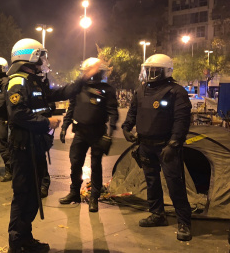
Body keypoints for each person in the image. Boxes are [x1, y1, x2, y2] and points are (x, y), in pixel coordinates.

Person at [6, 38, 100, 253]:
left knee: (33, 197)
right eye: (42, 55)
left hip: (35, 148)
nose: (45, 60)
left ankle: (25, 238)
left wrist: (84, 78)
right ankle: (16, 244)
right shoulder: (17, 81)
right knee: (23, 196)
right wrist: (46, 122)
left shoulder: (35, 81)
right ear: (30, 56)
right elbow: (18, 114)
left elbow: (62, 92)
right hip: (23, 150)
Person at [121, 54, 192, 241]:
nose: (151, 73)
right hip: (145, 145)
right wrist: (126, 128)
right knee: (151, 182)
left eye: (155, 70)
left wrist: (174, 143)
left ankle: (184, 222)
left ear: (165, 71)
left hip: (167, 146)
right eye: (149, 70)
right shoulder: (141, 90)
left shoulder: (176, 91)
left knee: (175, 184)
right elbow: (132, 113)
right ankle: (157, 214)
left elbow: (181, 120)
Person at [59, 58, 119, 212]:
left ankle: (94, 198)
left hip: (98, 133)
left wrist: (109, 134)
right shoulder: (79, 88)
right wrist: (65, 126)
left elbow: (113, 112)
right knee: (75, 163)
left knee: (95, 165)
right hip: (80, 132)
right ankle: (74, 193)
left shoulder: (107, 89)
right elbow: (71, 108)